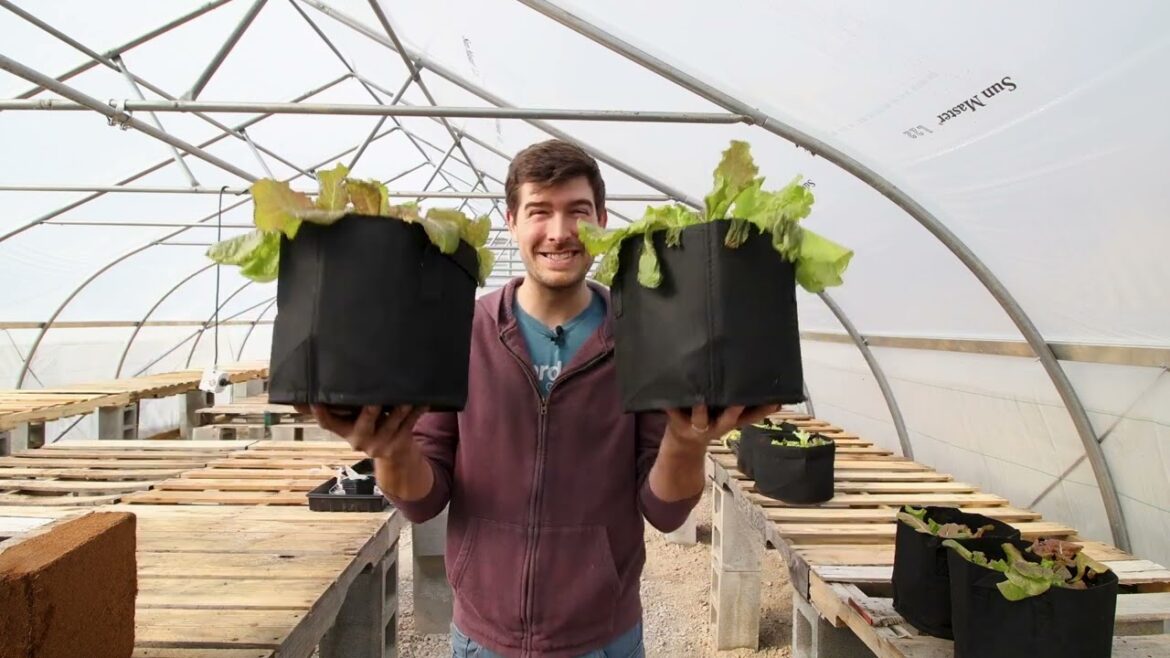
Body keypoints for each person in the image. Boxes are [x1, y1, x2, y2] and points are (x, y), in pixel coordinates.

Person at [305, 139, 778, 657]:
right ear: (511, 221)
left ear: (601, 218)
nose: (559, 232)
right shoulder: (461, 331)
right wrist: (391, 450)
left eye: (577, 211)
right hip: (483, 637)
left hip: (604, 639)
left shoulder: (644, 338)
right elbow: (424, 500)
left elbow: (663, 511)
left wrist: (687, 444)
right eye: (539, 212)